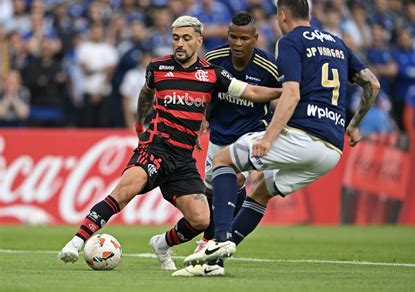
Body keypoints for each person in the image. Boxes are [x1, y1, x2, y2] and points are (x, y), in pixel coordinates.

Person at [58, 16, 282, 270]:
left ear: (199, 41)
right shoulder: (158, 68)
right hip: (155, 149)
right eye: (176, 38)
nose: (180, 44)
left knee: (201, 219)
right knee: (124, 192)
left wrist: (286, 93)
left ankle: (162, 244)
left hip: (183, 160)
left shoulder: (211, 74)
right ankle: (76, 242)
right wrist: (141, 126)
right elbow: (145, 94)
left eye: (186, 38)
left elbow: (251, 92)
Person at [181, 0, 380, 272]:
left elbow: (291, 94)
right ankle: (214, 263)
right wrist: (355, 124)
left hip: (303, 134)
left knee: (223, 161)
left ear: (282, 16)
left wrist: (268, 139)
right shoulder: (337, 43)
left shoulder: (290, 42)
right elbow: (372, 84)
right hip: (332, 150)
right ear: (308, 15)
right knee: (260, 191)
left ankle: (218, 238)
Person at [173, 11, 280, 277]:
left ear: (255, 38)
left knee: (236, 179)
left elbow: (284, 96)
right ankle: (217, 236)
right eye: (233, 36)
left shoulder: (268, 67)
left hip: (251, 133)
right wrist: (201, 122)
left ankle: (215, 241)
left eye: (244, 38)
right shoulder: (213, 59)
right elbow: (203, 93)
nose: (238, 43)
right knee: (214, 190)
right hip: (219, 134)